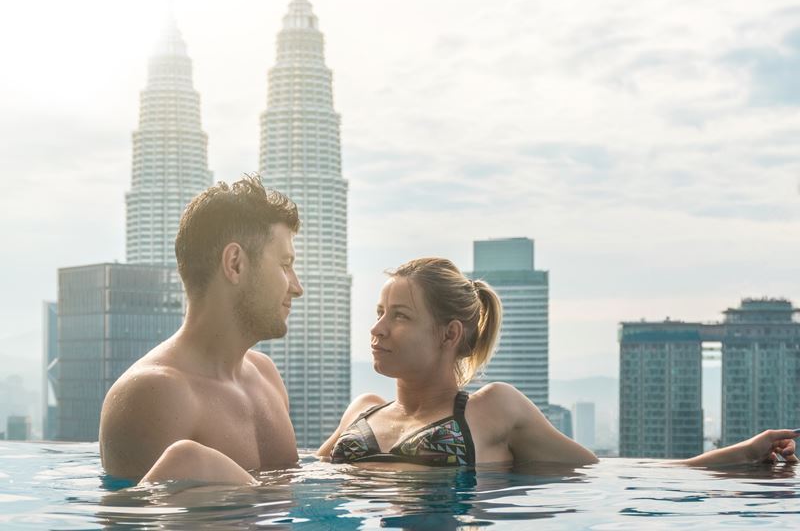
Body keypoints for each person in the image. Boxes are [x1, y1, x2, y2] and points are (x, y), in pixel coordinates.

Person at [138, 257, 798, 484]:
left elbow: (603, 475)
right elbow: (303, 484)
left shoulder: (492, 411)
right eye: (377, 312)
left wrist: (733, 457)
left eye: (398, 316)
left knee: (185, 466)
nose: (377, 328)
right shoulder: (363, 409)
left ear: (448, 333)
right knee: (184, 462)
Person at [99, 175, 303, 483]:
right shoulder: (155, 395)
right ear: (235, 263)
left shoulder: (265, 375)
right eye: (285, 265)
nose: (297, 287)